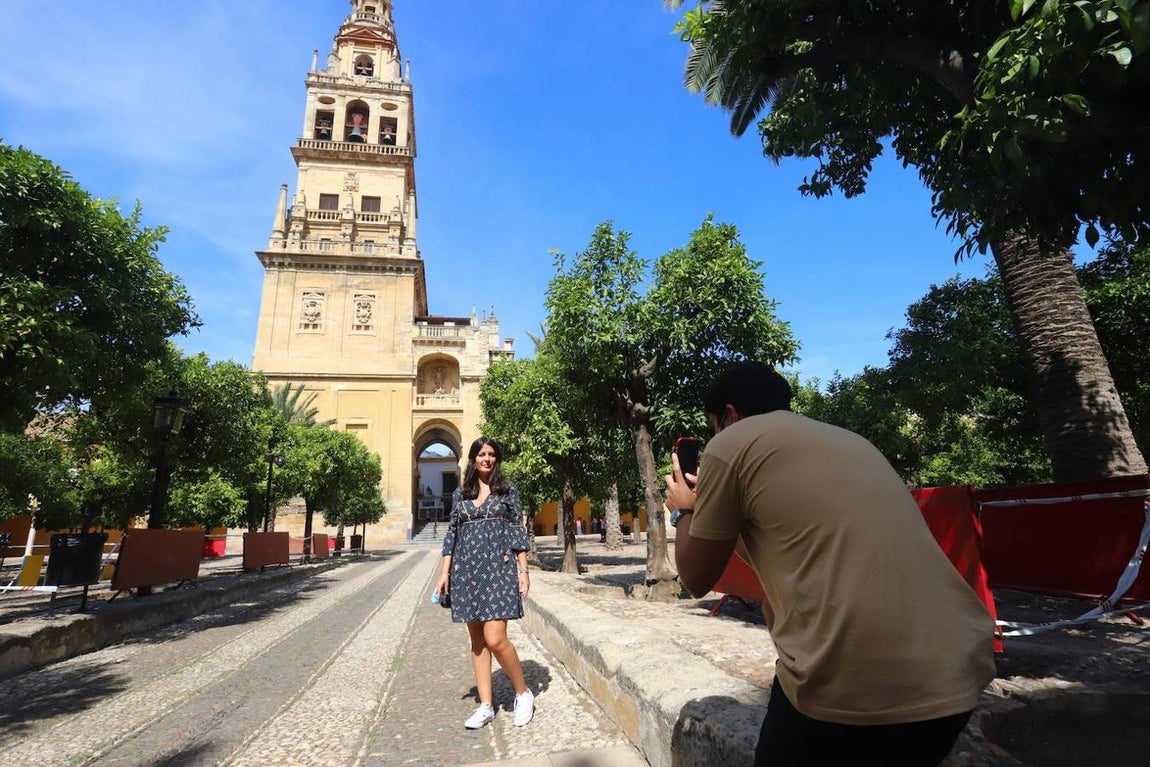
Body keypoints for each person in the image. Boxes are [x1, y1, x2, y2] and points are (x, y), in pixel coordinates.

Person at [664, 361, 996, 766]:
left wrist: (684, 512)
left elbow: (696, 579)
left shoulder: (730, 444)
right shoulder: (848, 439)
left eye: (714, 424)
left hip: (852, 688)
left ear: (729, 415)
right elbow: (781, 595)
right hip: (957, 673)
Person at [434, 437, 535, 729]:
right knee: (477, 641)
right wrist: (444, 573)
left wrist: (523, 570)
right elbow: (451, 535)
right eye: (481, 454)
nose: (487, 459)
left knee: (495, 639)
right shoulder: (460, 494)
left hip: (499, 569)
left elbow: (517, 530)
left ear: (496, 459)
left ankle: (523, 693)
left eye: (491, 454)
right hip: (466, 573)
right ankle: (487, 705)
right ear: (473, 459)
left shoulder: (507, 491)